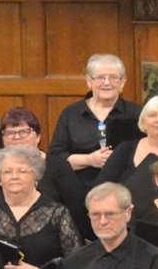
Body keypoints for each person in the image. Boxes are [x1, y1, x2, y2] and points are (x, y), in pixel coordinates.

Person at [0, 108, 91, 237]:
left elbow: (77, 209)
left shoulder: (58, 166)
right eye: (10, 132)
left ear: (38, 136)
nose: (16, 137)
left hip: (48, 239)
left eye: (24, 131)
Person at [48, 53, 143, 188]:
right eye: (100, 77)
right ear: (89, 81)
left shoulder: (136, 114)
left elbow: (148, 154)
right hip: (78, 193)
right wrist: (89, 160)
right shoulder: (71, 114)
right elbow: (55, 159)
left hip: (126, 192)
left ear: (123, 82)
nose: (106, 82)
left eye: (113, 77)